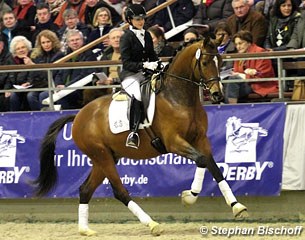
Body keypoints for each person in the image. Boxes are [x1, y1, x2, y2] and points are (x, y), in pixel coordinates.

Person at [120, 4, 159, 149]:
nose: (141, 22)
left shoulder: (147, 35)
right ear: (130, 20)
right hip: (130, 74)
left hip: (146, 72)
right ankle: (134, 132)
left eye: (142, 18)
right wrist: (143, 66)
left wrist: (158, 64)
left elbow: (152, 56)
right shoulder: (126, 37)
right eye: (137, 19)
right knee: (137, 93)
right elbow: (127, 63)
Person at [39, 29, 97, 109]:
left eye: (77, 39)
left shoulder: (89, 55)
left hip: (78, 88)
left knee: (61, 96)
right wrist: (57, 86)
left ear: (82, 40)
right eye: (72, 40)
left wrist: (66, 86)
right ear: (68, 43)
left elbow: (84, 75)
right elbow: (60, 73)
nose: (75, 42)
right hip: (63, 87)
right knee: (43, 95)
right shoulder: (66, 55)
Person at [225, 30, 278, 103]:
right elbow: (236, 72)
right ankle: (228, 107)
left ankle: (230, 108)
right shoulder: (239, 55)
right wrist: (242, 74)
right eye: (236, 44)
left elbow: (263, 75)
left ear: (249, 42)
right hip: (245, 84)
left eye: (240, 43)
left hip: (259, 85)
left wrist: (242, 75)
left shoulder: (260, 52)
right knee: (226, 82)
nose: (238, 47)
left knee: (233, 81)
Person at [83, 27, 124, 105]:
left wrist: (114, 80)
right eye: (113, 38)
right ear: (110, 41)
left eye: (119, 37)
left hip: (120, 84)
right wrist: (97, 82)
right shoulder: (106, 55)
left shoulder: (130, 54)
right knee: (88, 92)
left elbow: (131, 74)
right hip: (105, 85)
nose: (116, 40)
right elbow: (97, 72)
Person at [27, 30, 64, 110]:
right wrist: (29, 82)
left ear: (53, 42)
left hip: (52, 85)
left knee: (43, 96)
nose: (46, 45)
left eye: (48, 42)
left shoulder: (59, 55)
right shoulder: (37, 55)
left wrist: (34, 66)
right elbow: (33, 74)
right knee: (30, 96)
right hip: (39, 85)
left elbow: (51, 74)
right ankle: (37, 117)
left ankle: (45, 117)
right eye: (43, 43)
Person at [5, 36, 34, 111]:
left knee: (29, 96)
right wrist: (7, 89)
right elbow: (8, 78)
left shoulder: (33, 57)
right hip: (17, 88)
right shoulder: (11, 61)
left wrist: (28, 82)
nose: (21, 50)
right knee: (11, 95)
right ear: (15, 51)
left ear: (27, 48)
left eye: (23, 47)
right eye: (18, 49)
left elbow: (35, 74)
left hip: (32, 87)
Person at [0, 36, 12, 112]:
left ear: (1, 45)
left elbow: (9, 77)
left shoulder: (8, 58)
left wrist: (7, 89)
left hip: (4, 88)